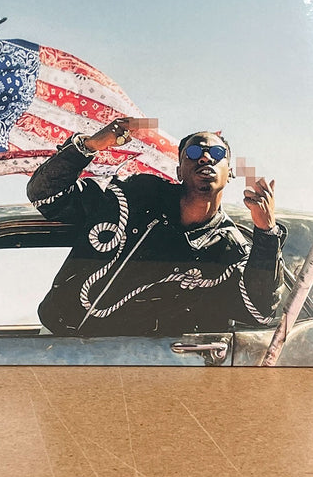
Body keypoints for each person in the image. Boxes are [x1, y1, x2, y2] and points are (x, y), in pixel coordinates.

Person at [27, 117, 285, 338]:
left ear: (230, 173)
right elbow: (44, 195)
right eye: (194, 153)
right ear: (179, 172)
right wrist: (90, 145)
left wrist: (267, 233)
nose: (206, 157)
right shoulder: (134, 196)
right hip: (59, 343)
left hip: (140, 359)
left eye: (217, 154)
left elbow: (260, 312)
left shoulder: (229, 247)